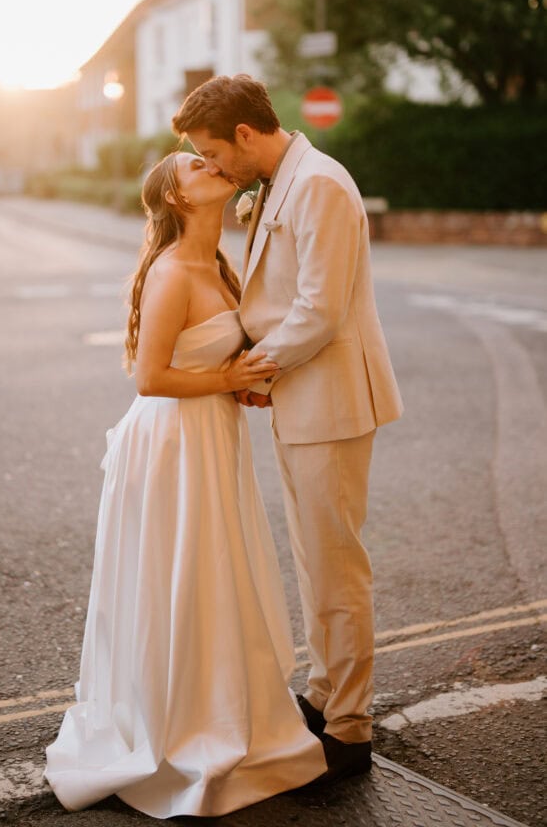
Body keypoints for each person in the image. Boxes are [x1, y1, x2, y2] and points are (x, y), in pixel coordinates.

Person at [43, 151, 326, 819]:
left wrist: (243, 388)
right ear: (176, 197)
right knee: (180, 578)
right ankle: (179, 724)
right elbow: (149, 378)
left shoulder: (221, 264)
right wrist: (227, 382)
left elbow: (214, 356)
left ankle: (220, 706)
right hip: (169, 443)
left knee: (212, 576)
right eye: (195, 165)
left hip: (208, 436)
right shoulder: (172, 271)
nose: (213, 165)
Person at [172, 74, 403, 785]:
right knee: (311, 559)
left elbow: (319, 310)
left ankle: (350, 729)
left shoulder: (321, 186)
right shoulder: (279, 181)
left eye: (213, 152)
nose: (212, 168)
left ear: (245, 134)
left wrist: (254, 371)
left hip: (331, 399)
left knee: (335, 564)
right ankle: (324, 693)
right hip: (304, 396)